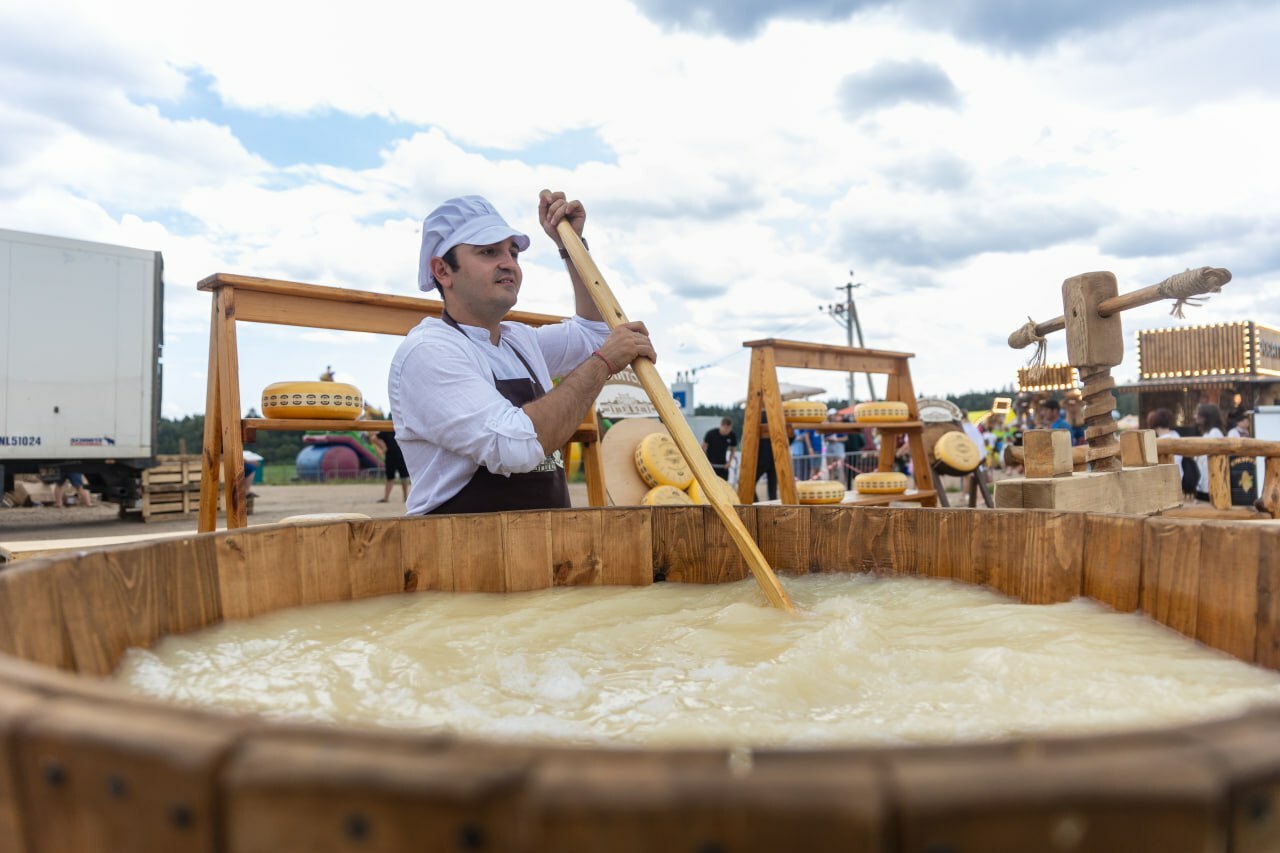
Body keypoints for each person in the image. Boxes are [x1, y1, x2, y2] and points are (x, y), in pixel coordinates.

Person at [389, 191, 655, 515]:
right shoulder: (429, 352)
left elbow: (595, 333)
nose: (508, 264)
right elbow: (515, 448)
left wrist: (571, 246)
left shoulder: (520, 341)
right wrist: (602, 365)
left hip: (540, 549)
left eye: (513, 253)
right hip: (462, 553)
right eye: (488, 252)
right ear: (442, 270)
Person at [1192, 402, 1225, 502]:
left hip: (1210, 483)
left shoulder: (1215, 433)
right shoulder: (1209, 433)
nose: (1195, 416)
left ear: (1206, 417)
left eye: (1199, 414)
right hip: (1205, 483)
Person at [372, 427, 410, 502]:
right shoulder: (388, 430)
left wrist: (382, 448)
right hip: (394, 457)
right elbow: (374, 438)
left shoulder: (398, 429)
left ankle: (405, 498)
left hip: (400, 457)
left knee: (402, 478)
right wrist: (382, 447)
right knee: (393, 478)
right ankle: (388, 498)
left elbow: (373, 438)